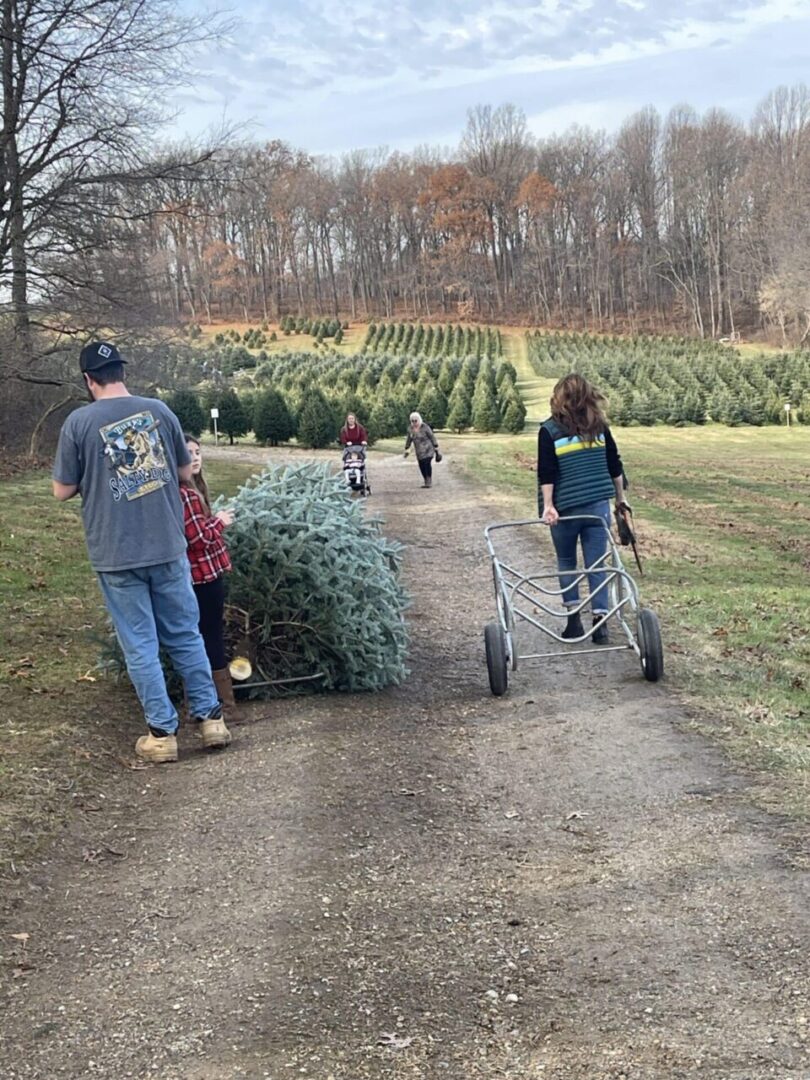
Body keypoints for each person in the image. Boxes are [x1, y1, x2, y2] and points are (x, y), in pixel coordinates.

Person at [52, 341, 231, 763]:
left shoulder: (78, 423)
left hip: (116, 553)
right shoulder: (160, 412)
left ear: (88, 380)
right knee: (186, 634)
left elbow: (61, 490)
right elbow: (187, 473)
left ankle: (162, 734)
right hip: (168, 546)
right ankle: (211, 722)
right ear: (121, 372)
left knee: (140, 644)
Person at [538, 373, 626, 644]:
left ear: (558, 398)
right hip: (597, 507)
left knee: (566, 562)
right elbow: (615, 465)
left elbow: (547, 472)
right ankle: (600, 623)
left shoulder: (549, 430)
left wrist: (549, 507)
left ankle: (574, 621)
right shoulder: (599, 427)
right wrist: (620, 501)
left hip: (565, 510)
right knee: (596, 564)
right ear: (589, 396)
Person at [181, 435, 235, 707]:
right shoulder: (187, 494)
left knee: (207, 633)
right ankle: (219, 704)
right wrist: (220, 522)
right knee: (208, 635)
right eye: (188, 453)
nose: (195, 457)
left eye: (198, 452)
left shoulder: (196, 489)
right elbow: (198, 538)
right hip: (201, 578)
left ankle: (209, 702)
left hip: (207, 575)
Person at [403, 411, 440, 488]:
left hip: (428, 449)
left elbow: (431, 436)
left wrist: (435, 445)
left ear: (419, 419)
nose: (414, 422)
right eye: (412, 421)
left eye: (415, 420)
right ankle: (425, 479)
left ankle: (428, 481)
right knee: (421, 465)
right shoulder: (410, 429)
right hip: (419, 451)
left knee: (427, 463)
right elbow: (409, 439)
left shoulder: (425, 427)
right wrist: (407, 447)